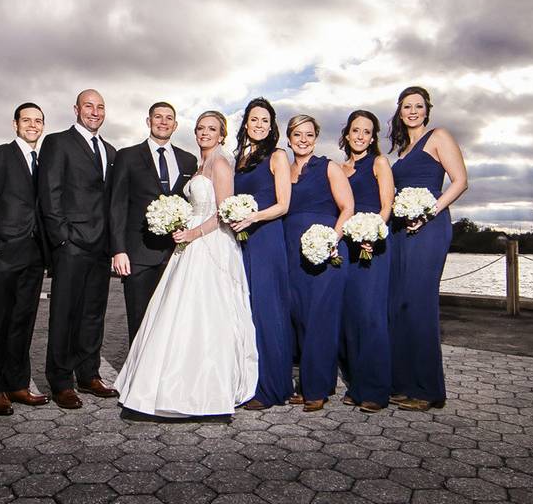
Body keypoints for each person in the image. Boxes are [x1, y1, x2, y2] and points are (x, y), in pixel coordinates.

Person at [115, 111, 257, 417]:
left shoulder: (219, 163)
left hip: (210, 243)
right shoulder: (197, 163)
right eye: (201, 128)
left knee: (207, 311)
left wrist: (192, 232)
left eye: (212, 129)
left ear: (222, 135)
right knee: (177, 310)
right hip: (188, 244)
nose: (205, 133)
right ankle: (168, 381)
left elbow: (224, 212)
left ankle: (209, 388)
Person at [387, 86, 468, 412]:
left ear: (427, 109)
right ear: (400, 111)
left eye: (418, 106)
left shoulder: (438, 136)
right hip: (399, 231)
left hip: (429, 227)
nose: (412, 111)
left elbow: (460, 181)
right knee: (400, 305)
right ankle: (405, 383)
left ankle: (429, 389)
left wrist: (428, 212)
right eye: (407, 106)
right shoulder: (402, 151)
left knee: (420, 304)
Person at [39, 89, 119, 409]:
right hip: (71, 244)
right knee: (64, 314)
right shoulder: (58, 142)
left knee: (92, 314)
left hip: (101, 246)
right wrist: (62, 238)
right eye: (89, 106)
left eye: (100, 107)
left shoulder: (111, 150)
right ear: (76, 109)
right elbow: (49, 191)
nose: (95, 112)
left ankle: (89, 374)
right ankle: (61, 381)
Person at [0, 102, 51, 415]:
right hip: (5, 251)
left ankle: (18, 383)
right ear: (15, 123)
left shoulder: (44, 160)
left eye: (38, 121)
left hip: (35, 254)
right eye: (27, 120)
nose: (32, 125)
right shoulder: (0, 154)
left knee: (24, 320)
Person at [110, 102, 199, 344]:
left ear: (175, 124)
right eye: (157, 117)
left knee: (171, 321)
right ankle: (137, 378)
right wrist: (119, 250)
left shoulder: (189, 160)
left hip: (175, 254)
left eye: (168, 118)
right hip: (138, 253)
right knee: (139, 320)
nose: (163, 121)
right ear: (148, 121)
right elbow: (117, 204)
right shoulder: (127, 156)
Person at [283, 115, 354, 412]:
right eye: (297, 134)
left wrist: (329, 241)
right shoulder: (283, 170)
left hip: (326, 251)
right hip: (291, 251)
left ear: (316, 138)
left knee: (319, 318)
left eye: (309, 134)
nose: (303, 139)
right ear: (288, 139)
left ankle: (317, 389)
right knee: (299, 317)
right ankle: (312, 383)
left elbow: (347, 207)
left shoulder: (329, 167)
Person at [231, 97, 294, 410]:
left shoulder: (278, 155)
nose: (259, 125)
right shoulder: (239, 158)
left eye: (265, 121)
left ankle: (272, 388)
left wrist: (252, 217)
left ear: (272, 126)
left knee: (267, 311)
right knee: (246, 311)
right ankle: (246, 380)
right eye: (254, 119)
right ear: (246, 123)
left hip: (266, 238)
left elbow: (284, 204)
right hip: (240, 240)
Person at [338, 110, 394, 414]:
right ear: (347, 134)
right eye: (355, 131)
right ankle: (356, 384)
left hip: (372, 244)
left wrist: (373, 231)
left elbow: (387, 205)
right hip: (347, 245)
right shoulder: (339, 168)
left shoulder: (379, 162)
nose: (360, 136)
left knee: (371, 313)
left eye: (367, 132)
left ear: (373, 138)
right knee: (351, 314)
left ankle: (375, 389)